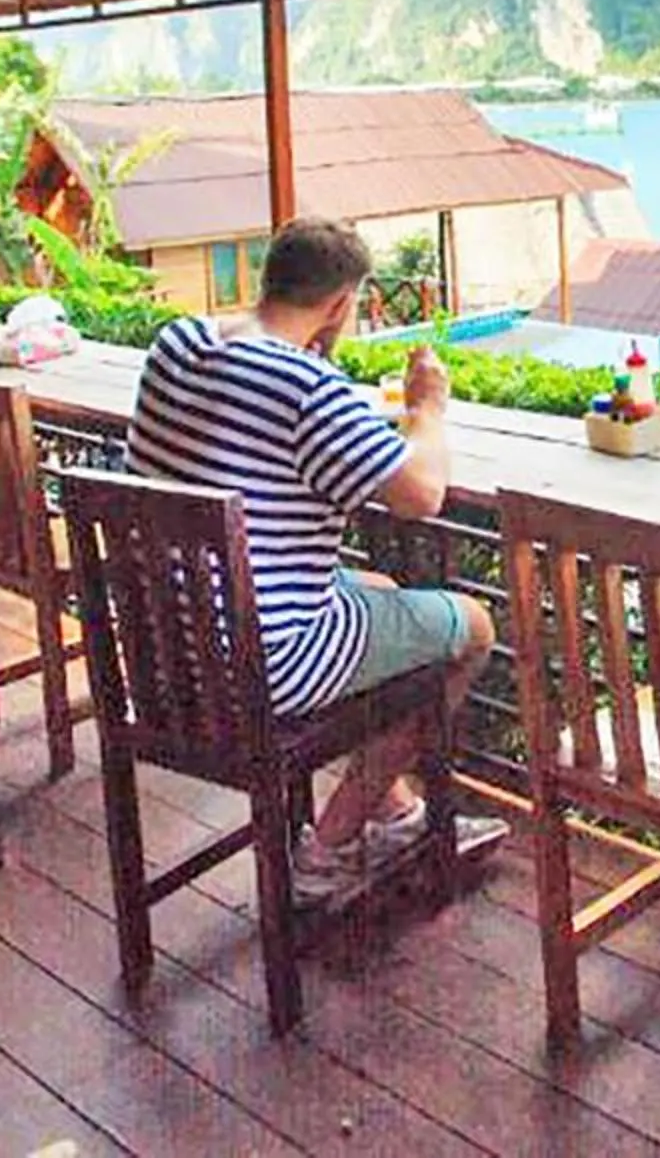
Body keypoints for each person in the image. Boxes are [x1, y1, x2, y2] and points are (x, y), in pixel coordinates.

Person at [127, 215, 508, 902]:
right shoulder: (307, 390)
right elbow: (421, 493)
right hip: (261, 668)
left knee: (379, 585)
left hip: (164, 652)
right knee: (471, 630)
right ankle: (327, 846)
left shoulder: (177, 344)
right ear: (340, 304)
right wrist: (429, 410)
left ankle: (393, 814)